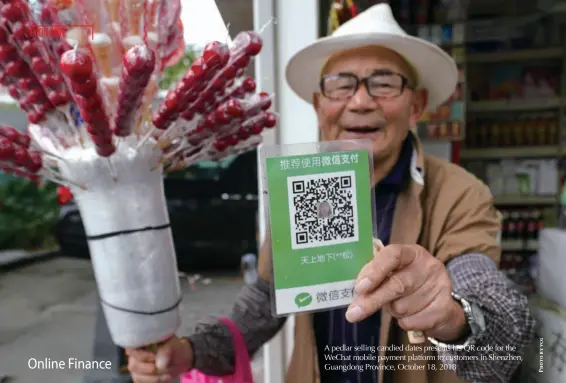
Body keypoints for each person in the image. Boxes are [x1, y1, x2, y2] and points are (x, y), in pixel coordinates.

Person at [126, 4, 535, 383]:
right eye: (341, 85)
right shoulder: (302, 187)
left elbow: (496, 312)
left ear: (417, 105)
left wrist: (451, 315)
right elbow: (265, 300)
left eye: (384, 83)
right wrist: (188, 351)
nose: (359, 101)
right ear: (320, 106)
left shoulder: (459, 195)